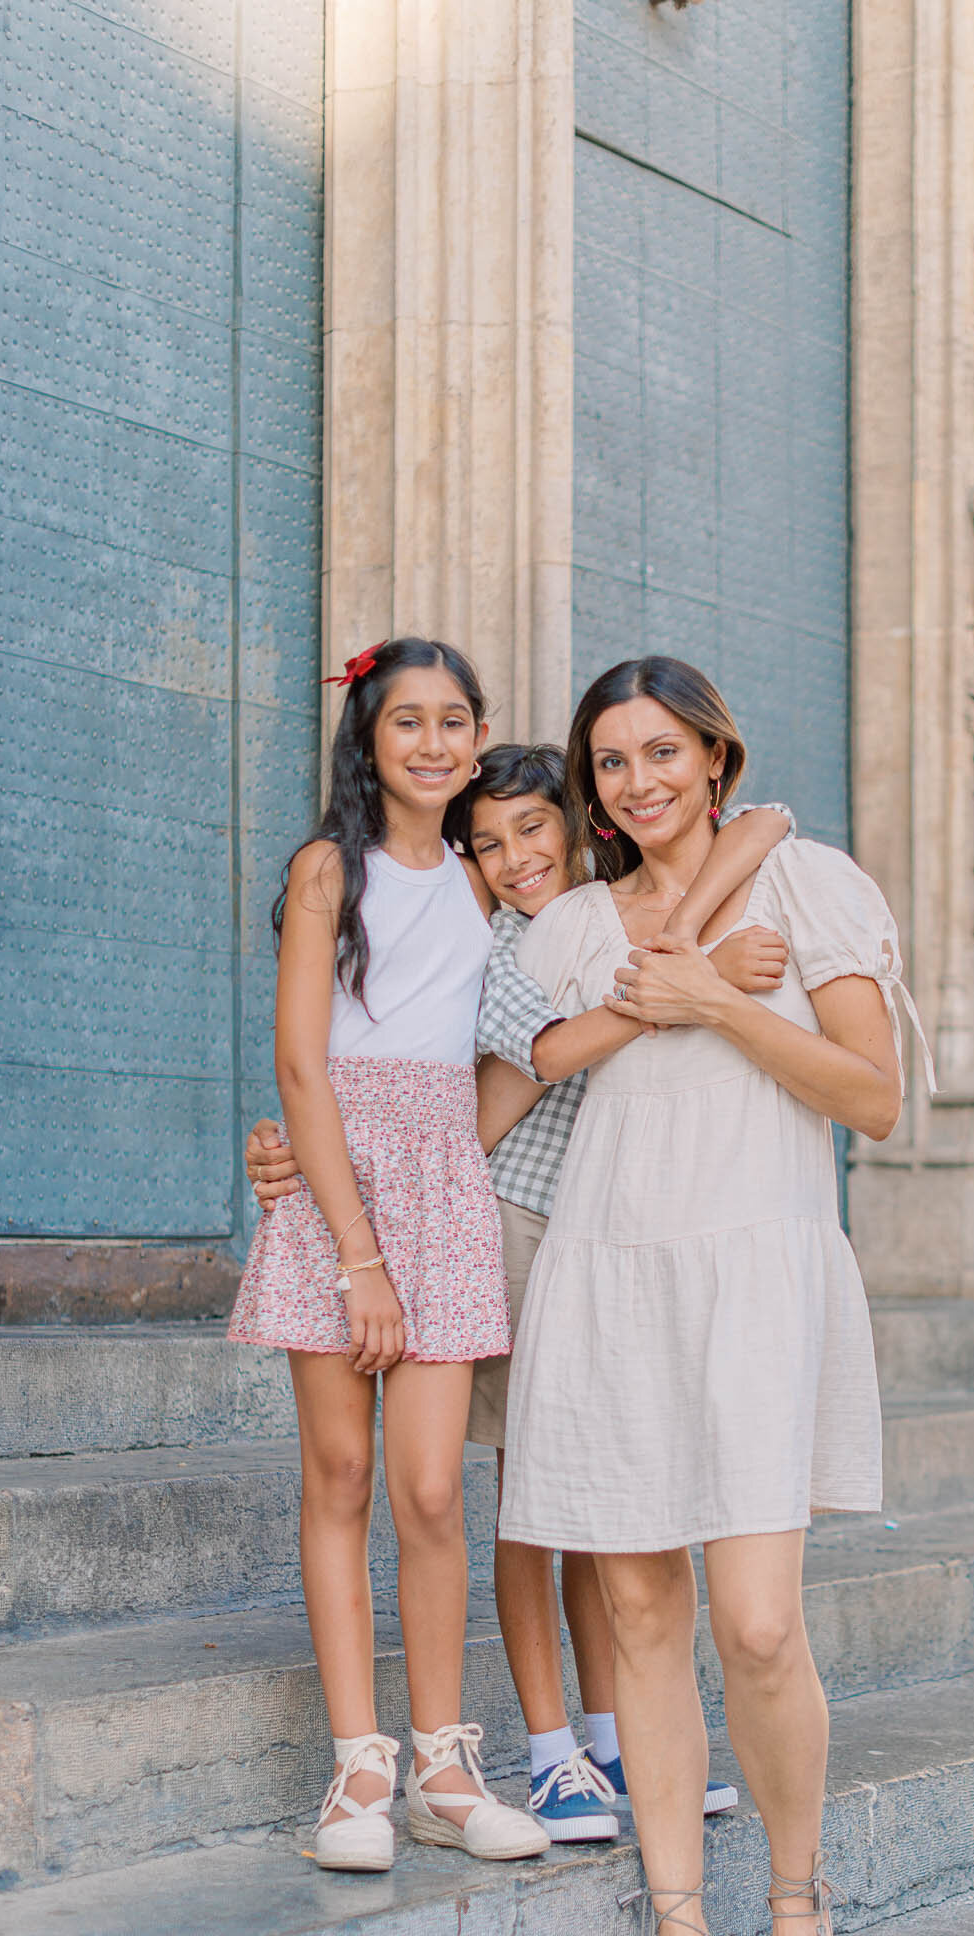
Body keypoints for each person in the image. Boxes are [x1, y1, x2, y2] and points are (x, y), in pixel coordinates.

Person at [245, 742, 793, 1841]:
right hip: (501, 1220)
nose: (511, 855)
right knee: (525, 1493)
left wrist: (686, 954)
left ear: (579, 823)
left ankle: (614, 1738)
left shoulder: (619, 907)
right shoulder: (495, 942)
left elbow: (766, 817)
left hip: (622, 1218)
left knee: (609, 1495)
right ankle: (546, 1751)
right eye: (486, 843)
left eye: (532, 829)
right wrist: (692, 986)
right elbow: (516, 1068)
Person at [499, 656, 920, 1936]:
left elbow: (873, 1096)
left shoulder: (809, 889)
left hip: (755, 1278)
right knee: (638, 1624)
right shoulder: (569, 930)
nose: (639, 780)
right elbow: (506, 1089)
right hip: (610, 1283)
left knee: (754, 1619)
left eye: (662, 751)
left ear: (715, 756)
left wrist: (729, 1004)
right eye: (612, 761)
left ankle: (799, 1910)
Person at [227, 636, 546, 1874]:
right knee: (343, 1472)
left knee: (428, 1487)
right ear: (368, 737)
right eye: (406, 721)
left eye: (453, 721)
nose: (432, 743)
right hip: (335, 1186)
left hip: (444, 1180)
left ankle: (442, 1766)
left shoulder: (484, 875)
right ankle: (356, 1765)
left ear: (477, 738)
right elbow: (302, 1064)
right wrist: (355, 1251)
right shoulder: (327, 871)